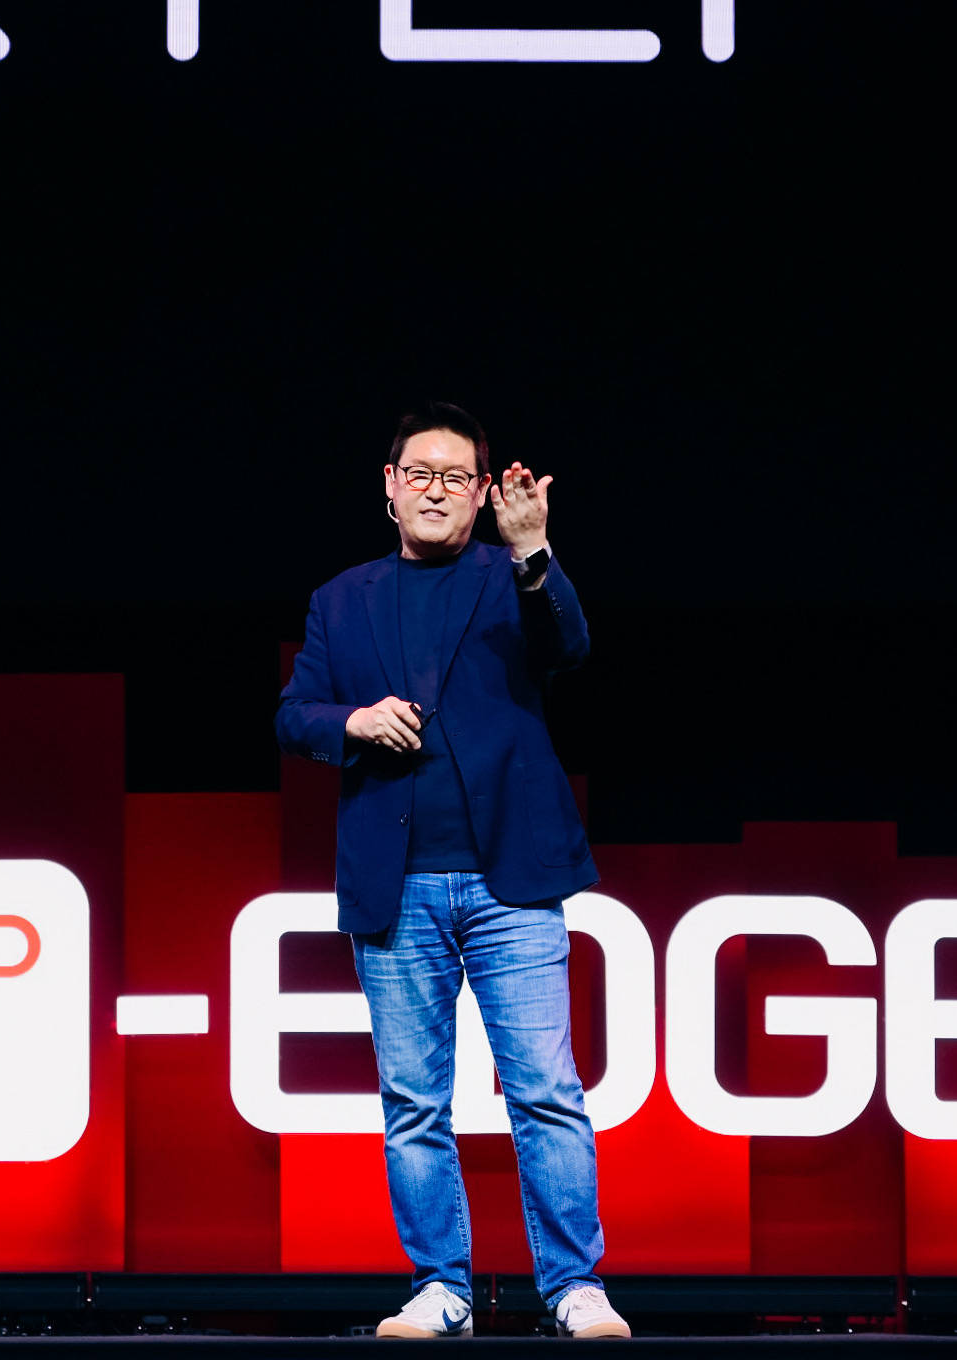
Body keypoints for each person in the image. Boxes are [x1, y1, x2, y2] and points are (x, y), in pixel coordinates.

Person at [276, 402, 629, 1340]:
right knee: (412, 1102)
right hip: (396, 886)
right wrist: (352, 722)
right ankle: (441, 1288)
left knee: (545, 1089)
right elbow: (294, 714)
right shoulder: (340, 599)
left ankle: (575, 1286)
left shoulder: (511, 577)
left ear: (480, 494)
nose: (437, 491)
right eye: (420, 474)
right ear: (390, 488)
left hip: (511, 877)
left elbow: (570, 646)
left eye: (456, 478)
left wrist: (534, 551)